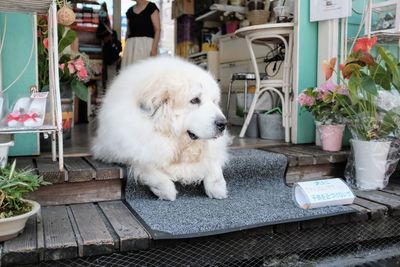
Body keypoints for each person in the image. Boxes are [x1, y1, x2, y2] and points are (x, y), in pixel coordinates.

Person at [121, 0, 161, 68]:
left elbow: (158, 30)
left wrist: (154, 49)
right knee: (131, 72)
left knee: (147, 72)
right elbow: (128, 32)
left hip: (147, 46)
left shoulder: (151, 7)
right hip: (132, 47)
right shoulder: (129, 11)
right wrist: (125, 51)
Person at [96, 2, 121, 90]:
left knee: (112, 77)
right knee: (104, 78)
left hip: (113, 57)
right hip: (105, 56)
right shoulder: (101, 29)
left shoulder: (113, 32)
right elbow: (99, 37)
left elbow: (118, 45)